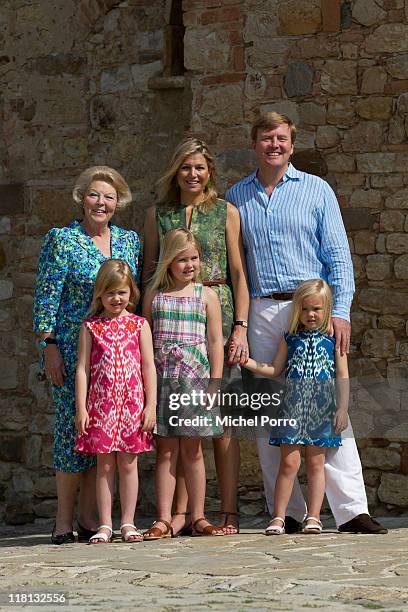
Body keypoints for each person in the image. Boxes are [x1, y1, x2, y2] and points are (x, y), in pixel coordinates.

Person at [225, 111, 387, 535]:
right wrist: (238, 324)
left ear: (292, 145)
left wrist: (340, 311)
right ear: (254, 144)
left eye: (281, 138)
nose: (273, 145)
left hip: (312, 311)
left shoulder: (317, 191)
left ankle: (351, 509)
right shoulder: (236, 197)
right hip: (262, 309)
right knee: (267, 414)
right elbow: (235, 267)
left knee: (330, 409)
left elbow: (337, 255)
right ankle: (289, 511)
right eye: (265, 138)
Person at [142, 137, 249, 535]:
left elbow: (239, 273)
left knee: (219, 420)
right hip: (171, 321)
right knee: (176, 429)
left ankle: (230, 510)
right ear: (176, 171)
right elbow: (148, 272)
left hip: (215, 311)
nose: (193, 174)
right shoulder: (158, 214)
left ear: (209, 172)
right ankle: (180, 515)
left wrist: (240, 326)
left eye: (200, 167)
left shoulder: (226, 212)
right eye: (186, 167)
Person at [33, 166, 142, 544]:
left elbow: (132, 294)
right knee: (71, 431)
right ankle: (63, 520)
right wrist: (47, 346)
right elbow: (46, 296)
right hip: (71, 348)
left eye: (109, 197)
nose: (101, 203)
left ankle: (90, 515)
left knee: (107, 438)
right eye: (95, 195)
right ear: (82, 198)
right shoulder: (62, 240)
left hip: (117, 354)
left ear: (118, 203)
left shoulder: (129, 241)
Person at [244, 280, 349, 535]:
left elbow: (343, 376)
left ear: (327, 310)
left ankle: (314, 517)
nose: (310, 314)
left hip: (321, 411)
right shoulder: (290, 339)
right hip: (292, 410)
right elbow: (274, 369)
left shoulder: (332, 340)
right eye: (304, 309)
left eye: (316, 309)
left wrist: (342, 408)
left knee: (315, 465)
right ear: (297, 311)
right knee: (288, 464)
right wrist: (247, 362)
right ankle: (279, 516)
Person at [143, 228, 225, 538]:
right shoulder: (155, 295)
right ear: (168, 262)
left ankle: (198, 515)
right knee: (166, 450)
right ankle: (163, 517)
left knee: (193, 450)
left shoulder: (206, 295)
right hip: (164, 379)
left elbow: (215, 341)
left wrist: (215, 383)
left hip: (195, 381)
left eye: (194, 258)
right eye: (181, 260)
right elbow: (146, 342)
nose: (189, 265)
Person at [75, 260, 156, 543]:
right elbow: (83, 369)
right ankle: (105, 524)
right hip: (101, 406)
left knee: (128, 464)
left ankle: (128, 522)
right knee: (105, 465)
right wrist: (81, 408)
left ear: (130, 292)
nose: (116, 299)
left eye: (121, 292)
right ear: (100, 294)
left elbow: (149, 367)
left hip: (132, 405)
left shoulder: (139, 325)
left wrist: (151, 406)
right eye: (110, 293)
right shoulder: (90, 327)